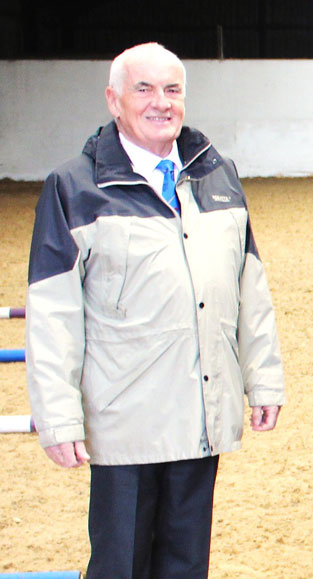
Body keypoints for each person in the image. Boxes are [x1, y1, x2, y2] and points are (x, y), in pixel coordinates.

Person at [24, 42, 286, 578]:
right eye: (143, 88)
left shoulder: (219, 177)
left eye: (172, 89)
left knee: (186, 566)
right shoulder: (73, 187)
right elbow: (54, 314)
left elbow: (249, 289)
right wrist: (57, 415)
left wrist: (264, 381)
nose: (160, 102)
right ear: (113, 100)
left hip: (199, 417)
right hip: (125, 425)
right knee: (121, 567)